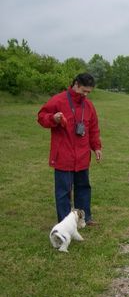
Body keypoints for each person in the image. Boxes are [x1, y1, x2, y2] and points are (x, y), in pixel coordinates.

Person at [38, 73, 102, 225]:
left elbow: (93, 128)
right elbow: (41, 116)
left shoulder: (89, 105)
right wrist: (53, 118)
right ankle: (65, 223)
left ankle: (84, 218)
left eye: (89, 92)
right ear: (76, 84)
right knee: (63, 192)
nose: (86, 95)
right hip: (63, 156)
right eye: (84, 91)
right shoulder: (58, 100)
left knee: (83, 188)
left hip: (82, 156)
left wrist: (96, 147)